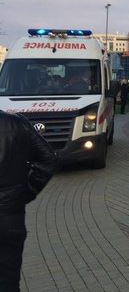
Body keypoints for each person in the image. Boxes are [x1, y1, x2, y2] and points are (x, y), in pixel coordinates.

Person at [0, 111, 58, 290]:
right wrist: (28, 191)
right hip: (10, 218)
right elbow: (49, 159)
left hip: (10, 214)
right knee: (9, 279)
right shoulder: (17, 123)